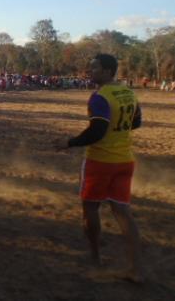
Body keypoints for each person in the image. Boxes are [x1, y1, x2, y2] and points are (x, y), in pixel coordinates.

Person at [59, 53, 144, 283]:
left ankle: (95, 257)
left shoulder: (100, 97)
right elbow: (136, 122)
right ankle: (136, 269)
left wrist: (69, 142)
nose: (90, 71)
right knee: (123, 213)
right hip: (125, 160)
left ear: (107, 71)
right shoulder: (129, 92)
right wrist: (118, 131)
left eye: (95, 68)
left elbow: (96, 132)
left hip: (100, 162)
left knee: (90, 209)